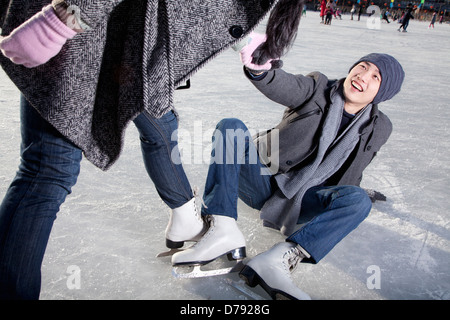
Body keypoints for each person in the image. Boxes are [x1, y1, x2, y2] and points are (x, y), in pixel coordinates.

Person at [0, 0, 306, 300]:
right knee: (49, 169)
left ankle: (187, 216)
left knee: (159, 121)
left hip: (126, 39)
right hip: (83, 32)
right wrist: (65, 17)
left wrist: (243, 38)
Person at [172, 33, 405, 300]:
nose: (363, 76)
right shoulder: (318, 88)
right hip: (264, 179)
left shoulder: (380, 127)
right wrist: (261, 70)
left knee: (359, 200)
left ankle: (279, 258)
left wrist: (360, 196)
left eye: (376, 76)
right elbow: (283, 85)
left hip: (308, 201)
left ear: (383, 93)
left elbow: (357, 169)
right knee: (231, 127)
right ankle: (221, 227)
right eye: (362, 66)